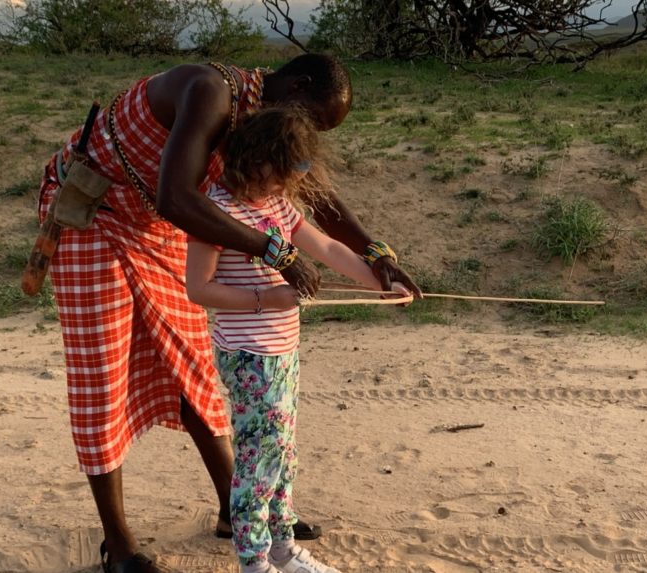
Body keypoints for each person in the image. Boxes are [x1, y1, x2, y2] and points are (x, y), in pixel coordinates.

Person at [37, 54, 421, 573]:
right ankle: (120, 546)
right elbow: (176, 197)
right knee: (102, 378)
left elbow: (314, 206)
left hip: (156, 225)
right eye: (312, 120)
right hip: (96, 217)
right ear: (298, 86)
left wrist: (378, 258)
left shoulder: (263, 136)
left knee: (190, 363)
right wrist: (276, 253)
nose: (306, 137)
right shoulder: (210, 92)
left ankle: (236, 510)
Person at [186, 105, 407, 573]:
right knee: (257, 459)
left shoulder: (276, 205)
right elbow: (198, 288)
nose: (283, 187)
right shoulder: (216, 210)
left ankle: (282, 546)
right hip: (248, 355)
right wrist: (268, 297)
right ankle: (254, 559)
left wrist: (381, 281)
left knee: (282, 450)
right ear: (254, 158)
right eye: (277, 175)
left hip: (281, 351)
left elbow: (325, 247)